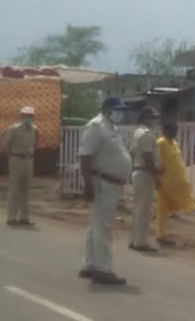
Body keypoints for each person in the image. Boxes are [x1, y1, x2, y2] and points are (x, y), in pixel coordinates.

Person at [78, 97, 132, 286]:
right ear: (107, 110)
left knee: (96, 225)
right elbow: (85, 156)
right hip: (102, 182)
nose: (120, 113)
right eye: (117, 110)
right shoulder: (96, 127)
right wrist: (87, 183)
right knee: (103, 226)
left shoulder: (111, 128)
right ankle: (103, 269)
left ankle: (90, 264)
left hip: (110, 182)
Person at [155, 119, 195, 246]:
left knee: (167, 208)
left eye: (175, 130)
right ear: (164, 130)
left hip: (176, 181)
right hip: (165, 181)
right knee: (162, 209)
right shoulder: (160, 143)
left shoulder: (174, 143)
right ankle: (161, 235)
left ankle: (162, 234)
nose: (174, 132)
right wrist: (157, 177)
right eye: (171, 130)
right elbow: (157, 161)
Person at [129, 107, 160, 252]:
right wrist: (156, 176)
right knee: (144, 210)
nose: (154, 120)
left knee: (137, 208)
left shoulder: (137, 133)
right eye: (152, 117)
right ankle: (140, 242)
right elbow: (148, 158)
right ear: (145, 118)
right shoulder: (147, 135)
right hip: (145, 173)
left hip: (137, 171)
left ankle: (134, 239)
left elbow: (132, 153)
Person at [3, 106, 38, 226]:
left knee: (26, 189)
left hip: (29, 160)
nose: (29, 118)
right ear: (21, 117)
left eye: (31, 116)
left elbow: (35, 144)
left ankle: (24, 217)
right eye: (26, 116)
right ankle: (11, 217)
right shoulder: (14, 129)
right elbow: (6, 145)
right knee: (14, 188)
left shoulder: (34, 130)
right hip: (16, 159)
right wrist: (12, 156)